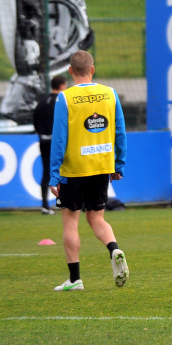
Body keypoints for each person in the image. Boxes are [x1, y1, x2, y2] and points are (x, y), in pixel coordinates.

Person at [48, 50, 128, 291]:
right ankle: (114, 249)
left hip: (74, 169)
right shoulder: (110, 93)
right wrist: (118, 163)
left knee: (70, 222)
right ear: (93, 69)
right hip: (101, 165)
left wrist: (54, 174)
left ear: (70, 71)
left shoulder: (65, 98)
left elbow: (59, 139)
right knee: (97, 218)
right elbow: (120, 131)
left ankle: (75, 280)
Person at [33, 74, 67, 214]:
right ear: (62, 86)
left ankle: (45, 205)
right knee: (65, 171)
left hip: (43, 141)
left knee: (46, 172)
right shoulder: (61, 101)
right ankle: (64, 202)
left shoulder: (41, 102)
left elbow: (35, 121)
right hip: (57, 142)